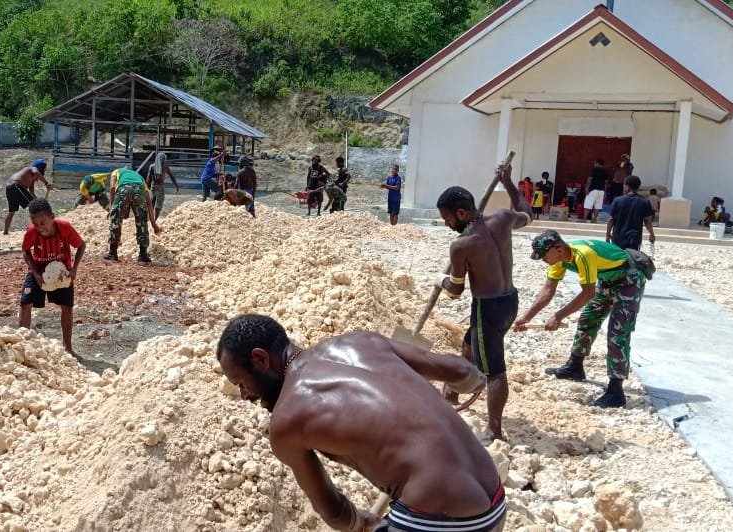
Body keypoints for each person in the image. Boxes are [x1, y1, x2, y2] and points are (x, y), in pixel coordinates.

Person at [215, 315, 504, 532]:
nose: (245, 396)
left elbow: (336, 512)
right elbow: (461, 371)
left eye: (241, 383)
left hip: (436, 522)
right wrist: (475, 383)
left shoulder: (287, 420)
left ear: (260, 359)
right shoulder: (362, 341)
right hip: (496, 501)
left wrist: (366, 524)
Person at [436, 162, 531, 444]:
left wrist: (439, 281)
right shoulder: (503, 218)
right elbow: (528, 212)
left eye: (448, 218)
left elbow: (455, 290)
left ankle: (494, 429)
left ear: (462, 213)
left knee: (494, 370)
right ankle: (452, 393)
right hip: (509, 301)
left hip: (487, 308)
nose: (446, 224)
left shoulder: (462, 246)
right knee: (468, 345)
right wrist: (510, 183)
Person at [513, 230, 648, 408]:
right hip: (608, 280)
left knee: (618, 332)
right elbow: (548, 290)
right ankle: (575, 367)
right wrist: (526, 317)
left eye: (544, 255)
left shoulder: (582, 255)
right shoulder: (559, 260)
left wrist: (558, 316)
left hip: (629, 279)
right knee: (587, 319)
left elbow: (587, 293)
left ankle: (616, 391)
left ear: (558, 249)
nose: (543, 260)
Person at [19, 198, 85, 355]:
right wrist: (34, 272)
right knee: (25, 302)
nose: (40, 227)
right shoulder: (31, 232)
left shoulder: (65, 228)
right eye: (36, 224)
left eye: (43, 223)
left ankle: (68, 348)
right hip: (39, 270)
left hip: (61, 271)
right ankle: (20, 344)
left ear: (52, 217)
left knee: (67, 307)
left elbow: (81, 245)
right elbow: (25, 250)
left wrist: (74, 269)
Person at [104, 167, 162, 262]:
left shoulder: (116, 171)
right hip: (139, 191)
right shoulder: (139, 177)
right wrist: (154, 224)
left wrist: (112, 208)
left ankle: (112, 253)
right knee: (142, 221)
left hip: (123, 189)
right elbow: (149, 204)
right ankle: (143, 255)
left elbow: (112, 188)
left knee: (116, 220)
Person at [606, 176, 655, 251]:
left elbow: (611, 219)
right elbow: (648, 221)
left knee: (618, 258)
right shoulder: (644, 202)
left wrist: (608, 234)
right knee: (632, 258)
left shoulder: (617, 200)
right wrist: (652, 234)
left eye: (624, 185)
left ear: (627, 187)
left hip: (618, 236)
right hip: (634, 237)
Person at [3, 158, 51, 234]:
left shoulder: (30, 178)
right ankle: (37, 228)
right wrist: (46, 183)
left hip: (9, 188)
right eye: (44, 169)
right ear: (40, 167)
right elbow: (36, 173)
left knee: (12, 212)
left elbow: (31, 191)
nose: (44, 171)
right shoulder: (33, 169)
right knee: (35, 209)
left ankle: (5, 232)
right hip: (16, 186)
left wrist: (38, 202)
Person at [146, 152, 180, 220]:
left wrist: (146, 188)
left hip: (153, 186)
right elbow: (172, 176)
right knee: (159, 203)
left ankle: (148, 217)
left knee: (149, 201)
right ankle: (155, 219)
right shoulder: (165, 167)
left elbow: (148, 178)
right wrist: (176, 186)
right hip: (161, 187)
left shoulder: (152, 166)